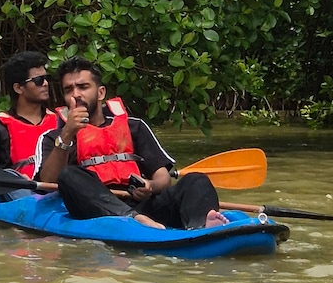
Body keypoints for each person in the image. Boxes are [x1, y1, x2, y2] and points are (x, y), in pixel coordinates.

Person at [37, 57, 228, 230]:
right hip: (95, 210)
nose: (76, 94)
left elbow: (163, 177)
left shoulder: (134, 127)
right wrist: (68, 134)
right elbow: (48, 184)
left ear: (101, 92)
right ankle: (132, 220)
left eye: (83, 87)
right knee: (69, 175)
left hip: (143, 206)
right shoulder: (54, 137)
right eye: (69, 90)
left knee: (196, 179)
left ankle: (201, 227)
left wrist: (150, 186)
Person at [0, 50, 59, 179]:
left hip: (56, 193)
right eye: (38, 80)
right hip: (16, 195)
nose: (45, 83)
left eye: (46, 78)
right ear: (18, 88)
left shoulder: (59, 121)